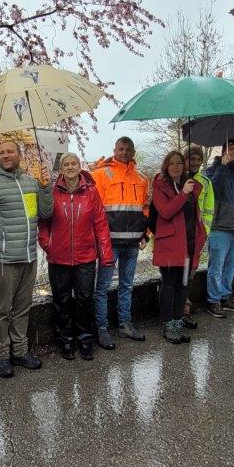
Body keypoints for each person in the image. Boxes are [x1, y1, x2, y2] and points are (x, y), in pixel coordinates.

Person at [0, 140, 53, 378]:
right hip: (3, 260)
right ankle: (1, 356)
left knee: (22, 308)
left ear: (19, 155)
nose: (5, 155)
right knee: (1, 311)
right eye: (1, 152)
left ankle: (20, 351)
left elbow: (44, 213)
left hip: (28, 256)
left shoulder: (30, 182)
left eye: (10, 151)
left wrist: (45, 188)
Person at [39, 152, 113, 360]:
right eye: (66, 164)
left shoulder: (91, 192)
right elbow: (43, 222)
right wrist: (48, 245)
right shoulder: (52, 191)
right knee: (61, 300)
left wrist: (106, 255)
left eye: (74, 163)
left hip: (85, 257)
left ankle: (85, 339)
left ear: (80, 167)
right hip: (58, 257)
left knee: (84, 300)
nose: (70, 167)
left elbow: (100, 224)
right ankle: (66, 339)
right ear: (61, 169)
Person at [90, 137, 150, 345]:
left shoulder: (142, 178)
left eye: (128, 149)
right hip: (109, 243)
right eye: (121, 148)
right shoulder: (100, 174)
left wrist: (146, 234)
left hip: (133, 243)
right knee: (103, 287)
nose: (124, 152)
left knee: (127, 285)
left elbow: (145, 209)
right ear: (114, 150)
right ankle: (102, 328)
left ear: (134, 152)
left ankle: (125, 324)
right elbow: (95, 210)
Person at [152, 150, 206, 344]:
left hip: (188, 246)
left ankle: (177, 320)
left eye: (179, 163)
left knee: (183, 285)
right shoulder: (160, 186)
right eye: (172, 163)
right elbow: (166, 212)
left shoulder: (190, 185)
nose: (176, 166)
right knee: (169, 285)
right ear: (166, 166)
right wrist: (183, 194)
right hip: (170, 245)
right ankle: (168, 324)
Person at [203, 138, 234, 318]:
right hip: (220, 226)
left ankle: (225, 296)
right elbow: (212, 191)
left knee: (231, 266)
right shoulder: (212, 170)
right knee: (216, 266)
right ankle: (213, 300)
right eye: (230, 148)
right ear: (223, 151)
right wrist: (222, 167)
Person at [183, 145, 215, 329]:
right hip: (180, 236)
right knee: (179, 271)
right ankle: (181, 307)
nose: (195, 162)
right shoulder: (178, 179)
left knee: (191, 270)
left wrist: (205, 231)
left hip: (197, 235)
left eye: (198, 159)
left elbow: (210, 210)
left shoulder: (206, 182)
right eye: (191, 158)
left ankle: (185, 304)